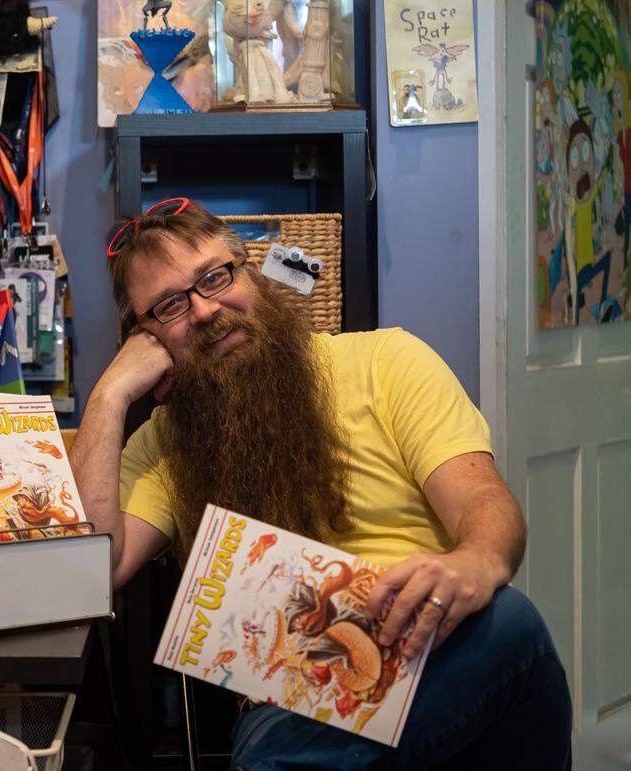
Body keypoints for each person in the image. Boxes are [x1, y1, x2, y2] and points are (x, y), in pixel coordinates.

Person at [69, 200, 572, 769]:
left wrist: (477, 560)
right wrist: (109, 393)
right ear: (146, 338)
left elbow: (482, 498)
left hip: (432, 652)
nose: (205, 310)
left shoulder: (388, 361)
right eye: (170, 306)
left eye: (214, 277)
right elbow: (92, 571)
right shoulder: (163, 445)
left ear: (250, 272)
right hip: (293, 697)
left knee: (512, 623)